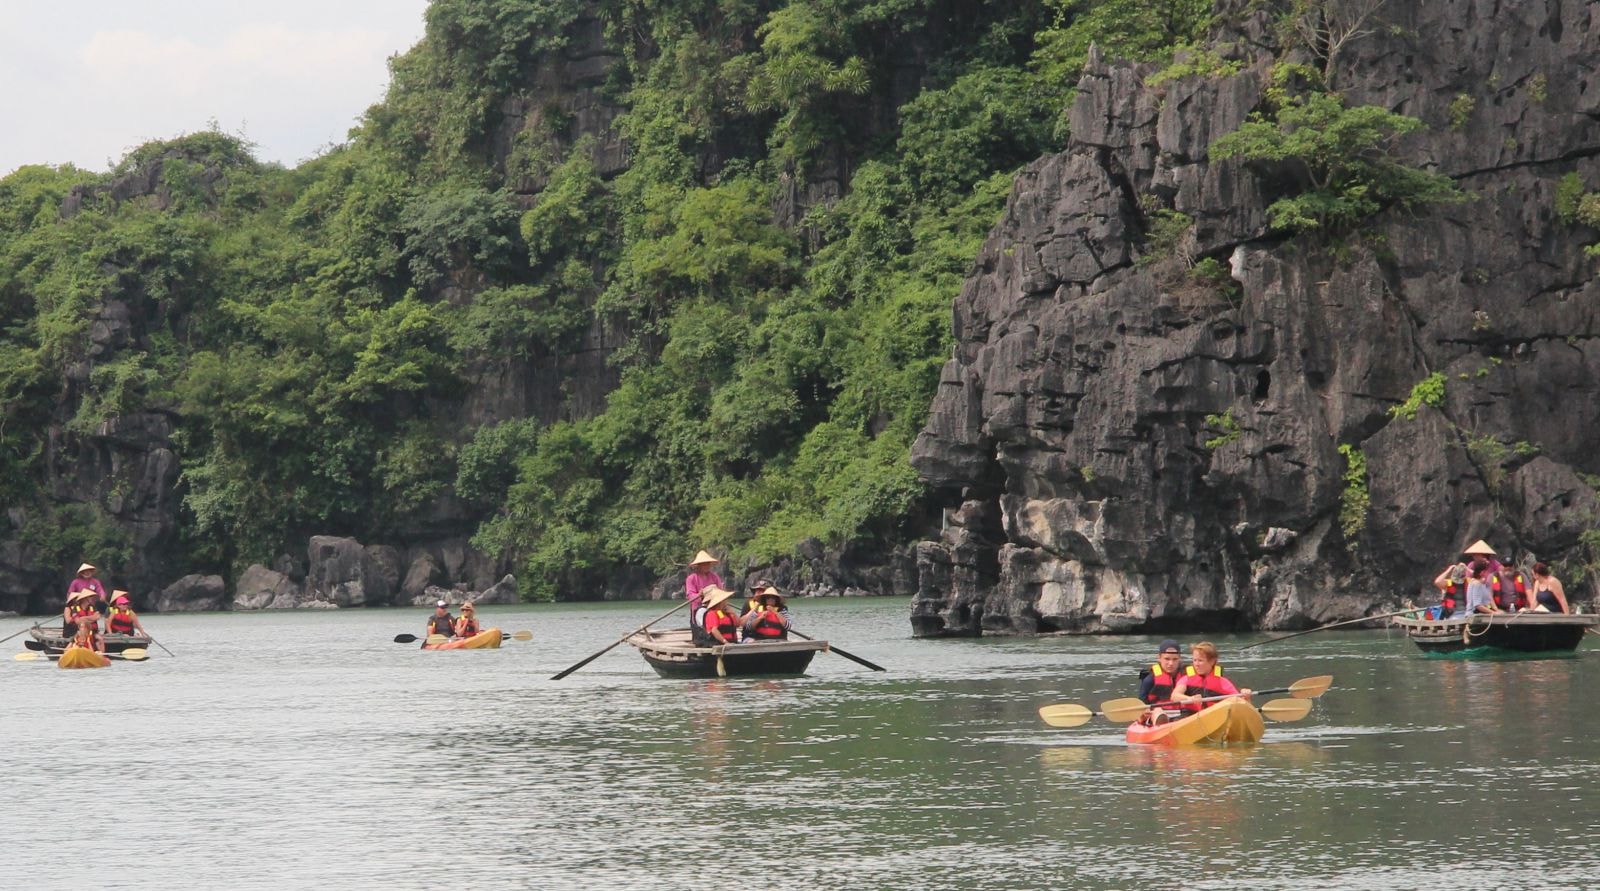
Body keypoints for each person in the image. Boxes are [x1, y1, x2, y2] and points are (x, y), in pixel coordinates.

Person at [1169, 642, 1252, 712]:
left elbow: (1239, 702)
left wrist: (1246, 696)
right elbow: (1175, 696)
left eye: (1200, 660)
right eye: (1194, 660)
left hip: (1214, 716)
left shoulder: (1222, 682)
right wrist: (1190, 698)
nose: (1196, 664)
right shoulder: (1186, 679)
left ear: (1212, 662)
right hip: (1190, 715)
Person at [1136, 639, 1187, 724]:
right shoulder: (1149, 680)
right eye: (1167, 659)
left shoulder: (1188, 676)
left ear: (1179, 659)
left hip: (1183, 714)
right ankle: (1162, 722)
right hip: (1157, 715)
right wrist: (1145, 712)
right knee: (1158, 711)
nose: (1171, 663)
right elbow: (1142, 704)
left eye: (1175, 659)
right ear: (1159, 658)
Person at [684, 551, 724, 618]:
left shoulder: (715, 577)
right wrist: (699, 595)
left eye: (708, 563)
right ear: (699, 565)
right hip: (699, 609)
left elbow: (721, 591)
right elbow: (690, 595)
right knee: (704, 621)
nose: (707, 566)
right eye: (704, 564)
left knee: (723, 619)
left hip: (716, 608)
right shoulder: (691, 578)